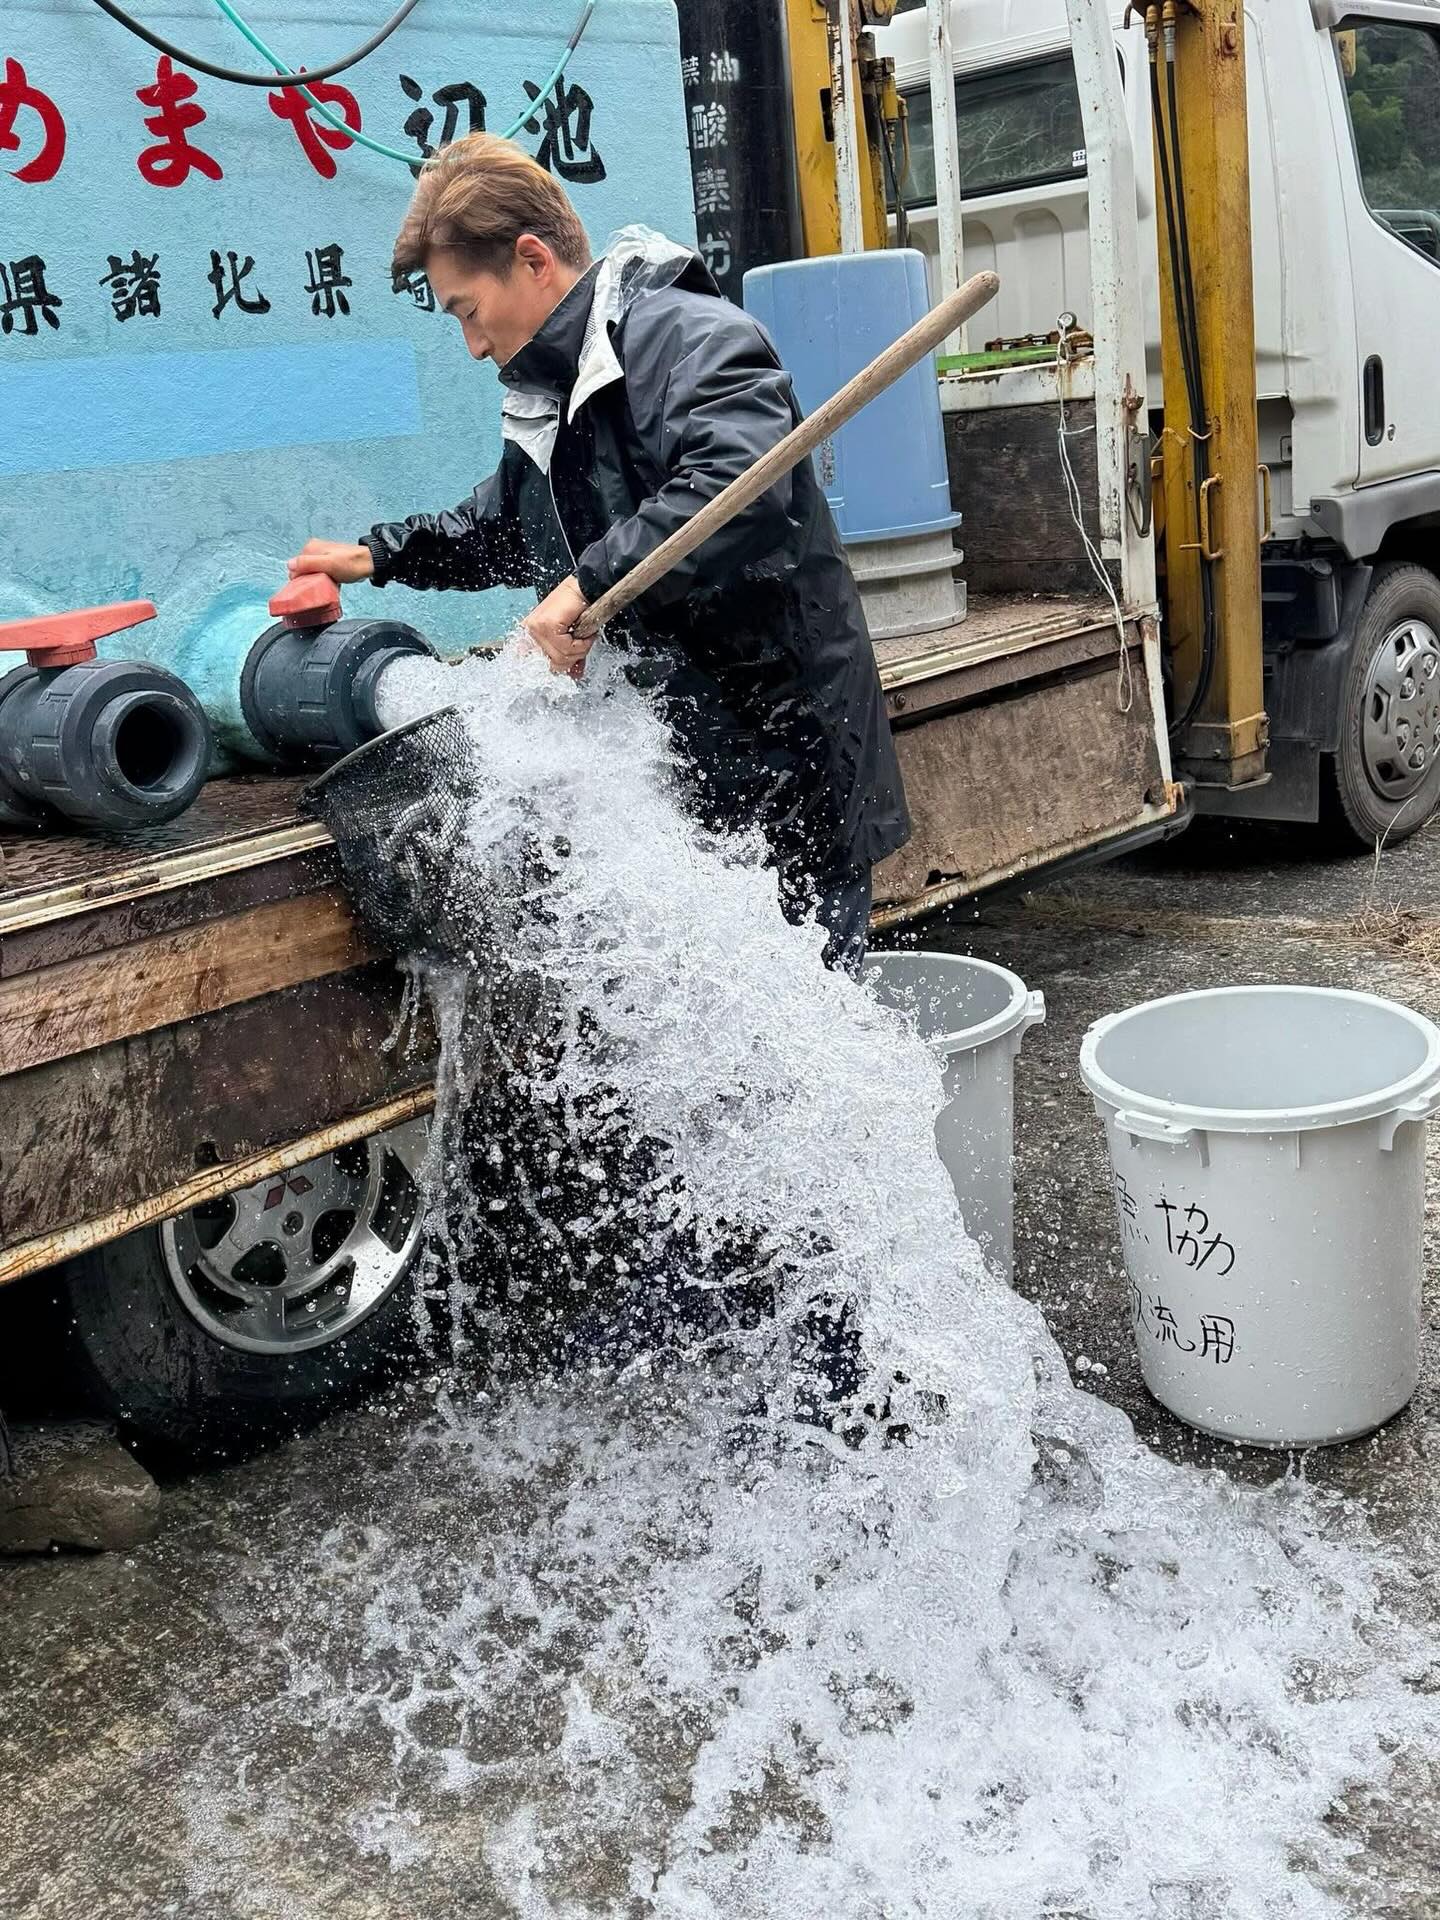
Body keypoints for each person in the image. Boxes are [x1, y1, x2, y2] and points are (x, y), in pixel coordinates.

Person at [289, 134, 910, 974]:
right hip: (692, 763)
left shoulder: (687, 337)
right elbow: (507, 526)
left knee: (809, 1026)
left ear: (533, 259)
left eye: (468, 310)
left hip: (787, 759)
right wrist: (376, 556)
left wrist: (588, 582)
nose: (471, 344)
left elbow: (740, 483)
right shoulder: (551, 389)